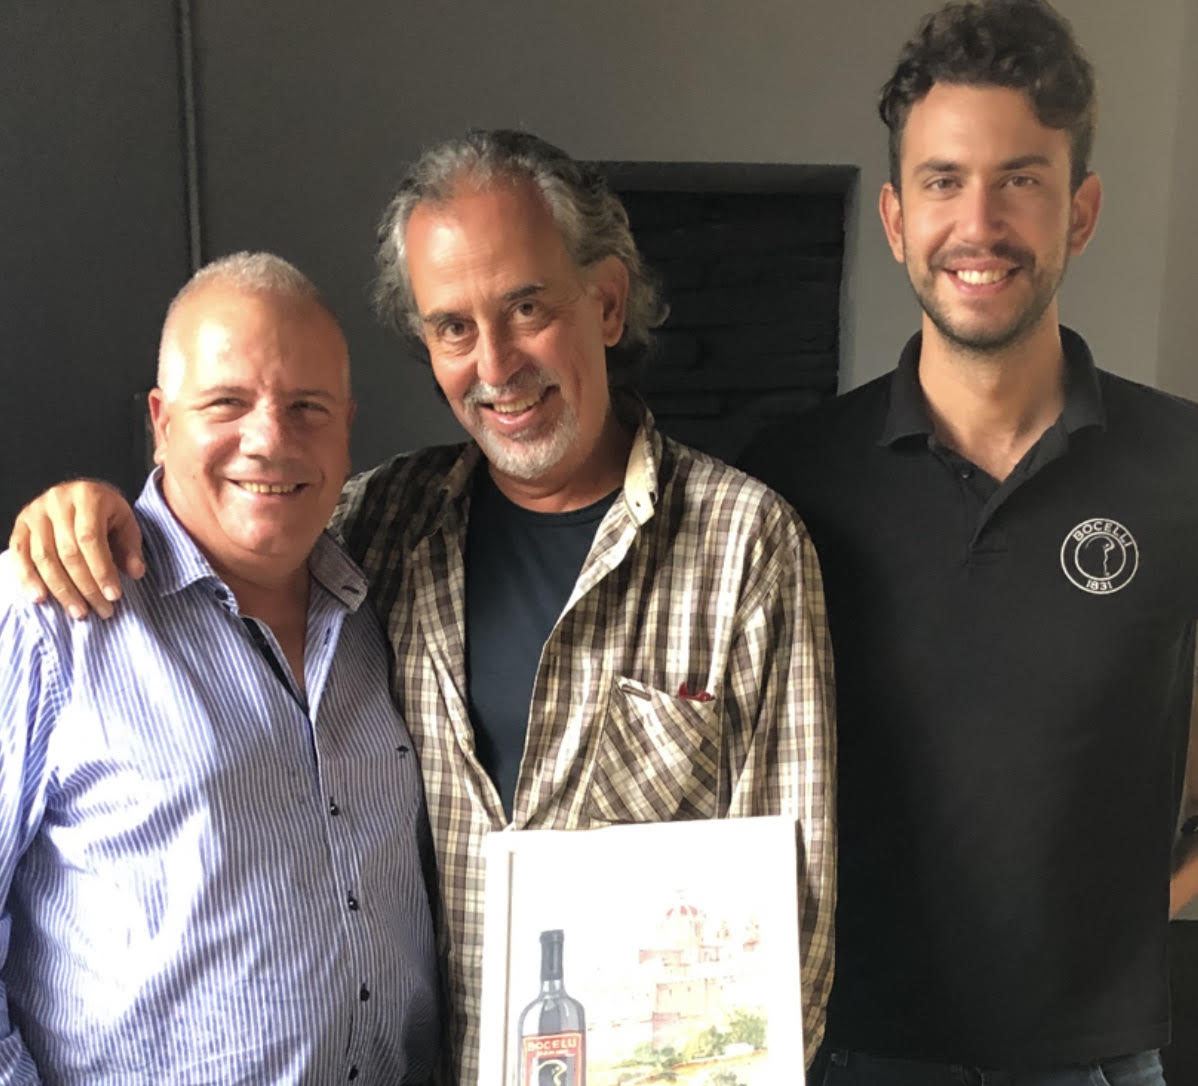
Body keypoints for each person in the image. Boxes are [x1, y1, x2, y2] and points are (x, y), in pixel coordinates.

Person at [7, 131, 837, 1081]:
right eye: (452, 327)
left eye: (526, 308)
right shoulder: (380, 526)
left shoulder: (746, 547)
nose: (494, 364)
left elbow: (793, 923)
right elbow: (235, 512)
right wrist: (88, 505)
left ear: (605, 302)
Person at [740, 2, 1198, 1083]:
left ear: (1079, 212)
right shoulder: (790, 477)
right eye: (944, 181)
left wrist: (1154, 898)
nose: (979, 223)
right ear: (896, 219)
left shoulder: (1181, 463)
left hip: (1094, 1058)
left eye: (1021, 179)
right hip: (850, 1048)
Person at [0, 253, 440, 1083]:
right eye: (226, 403)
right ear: (161, 422)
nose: (270, 439)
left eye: (307, 407)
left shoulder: (382, 610)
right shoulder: (47, 615)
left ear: (348, 426)